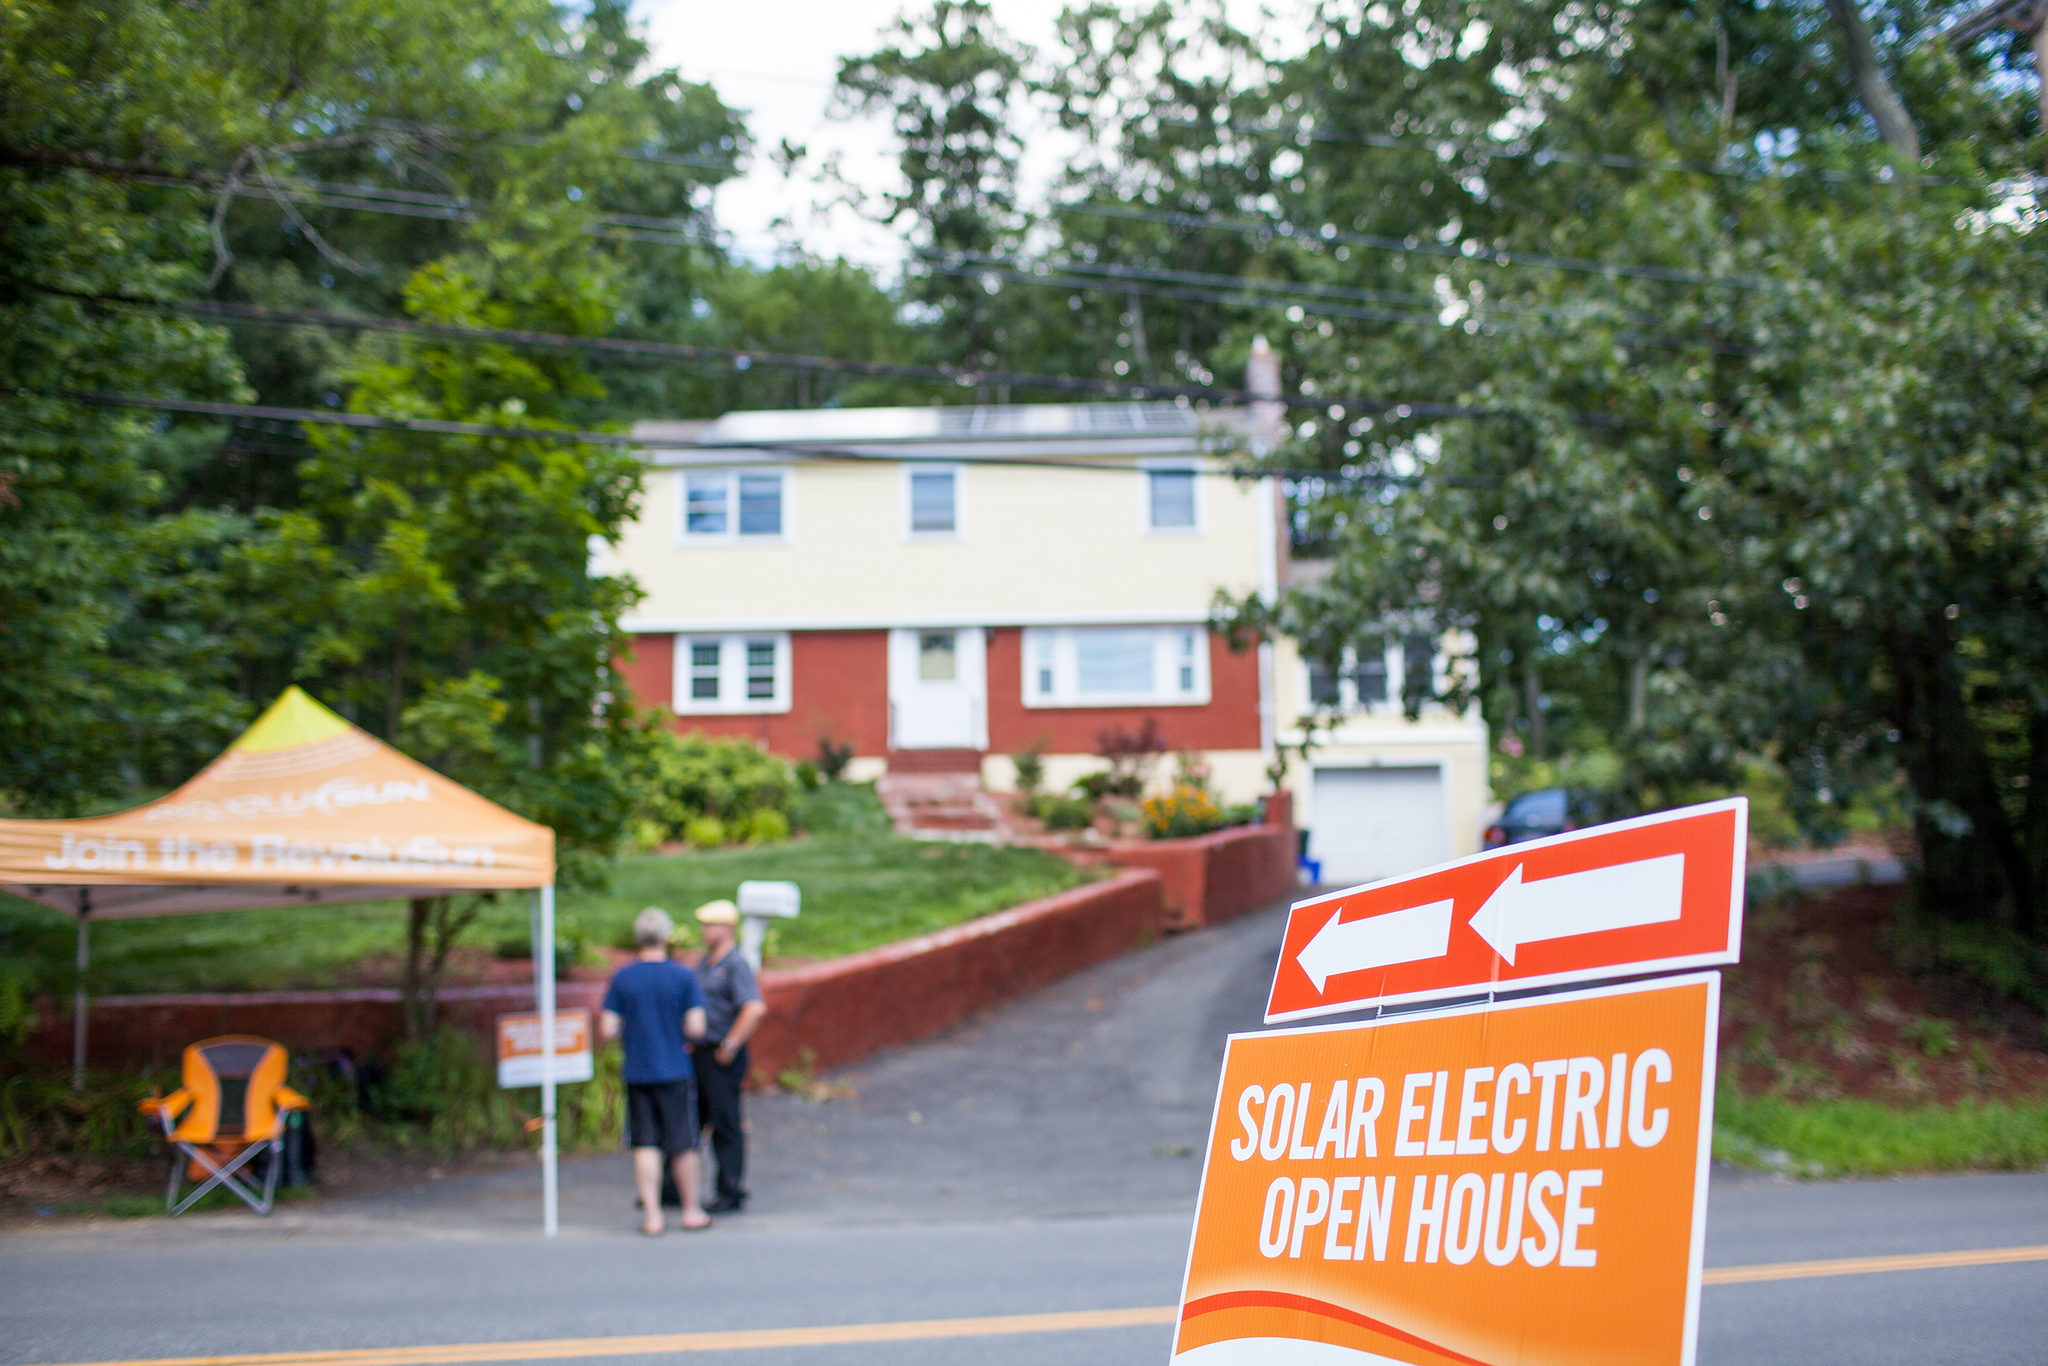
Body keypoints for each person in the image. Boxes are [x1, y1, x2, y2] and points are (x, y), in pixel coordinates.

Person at [599, 906, 712, 1234]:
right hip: (674, 1069)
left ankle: (653, 1216)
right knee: (682, 1142)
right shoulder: (682, 976)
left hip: (637, 1070)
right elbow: (696, 1026)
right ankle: (691, 1211)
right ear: (666, 936)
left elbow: (607, 1028)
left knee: (645, 1143)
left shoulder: (623, 977)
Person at [688, 899, 767, 1214]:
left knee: (725, 1122)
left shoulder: (734, 964)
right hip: (701, 1051)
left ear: (726, 928)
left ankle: (731, 1188)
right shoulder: (705, 963)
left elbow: (754, 1007)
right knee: (695, 1119)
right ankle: (676, 1185)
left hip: (722, 1054)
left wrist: (731, 1043)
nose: (704, 931)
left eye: (710, 925)